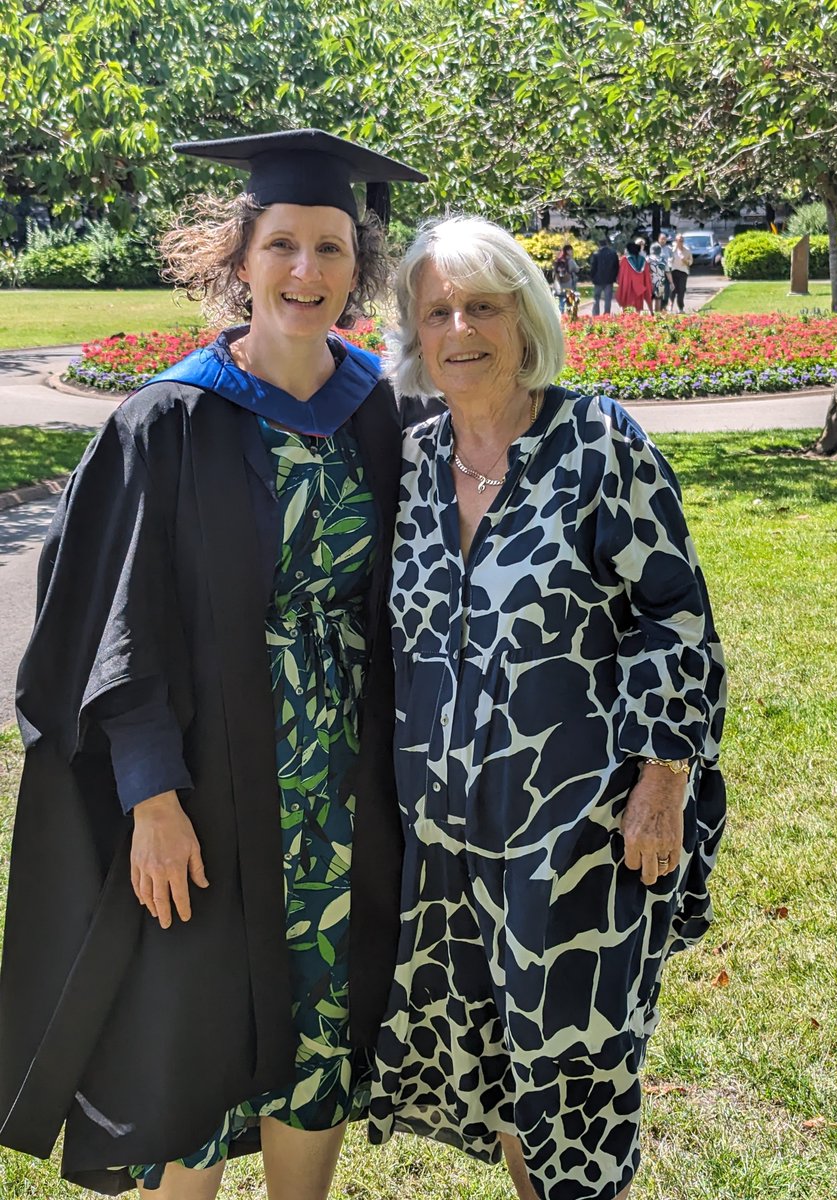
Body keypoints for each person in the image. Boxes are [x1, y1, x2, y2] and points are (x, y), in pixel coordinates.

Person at [0, 130, 425, 1197]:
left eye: (331, 249)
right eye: (282, 244)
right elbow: (116, 618)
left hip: (345, 783)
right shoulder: (169, 421)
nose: (305, 272)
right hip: (207, 786)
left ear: (356, 267)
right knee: (191, 1025)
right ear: (239, 260)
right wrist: (150, 797)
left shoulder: (382, 411)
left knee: (322, 1016)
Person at [368, 217, 726, 1200]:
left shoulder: (598, 444)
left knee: (575, 1084)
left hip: (577, 843)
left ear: (524, 318)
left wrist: (662, 779)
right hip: (443, 850)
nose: (458, 329)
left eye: (481, 306)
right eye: (436, 310)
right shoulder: (405, 461)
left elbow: (674, 617)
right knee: (498, 1078)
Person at [615, 239, 654, 314]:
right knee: (638, 304)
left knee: (626, 302)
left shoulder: (625, 260)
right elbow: (646, 275)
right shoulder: (643, 260)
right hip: (640, 285)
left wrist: (619, 280)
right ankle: (637, 317)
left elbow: (621, 274)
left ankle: (625, 317)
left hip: (628, 285)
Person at [588, 235, 620, 316]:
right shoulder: (613, 253)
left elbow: (593, 267)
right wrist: (614, 277)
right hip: (609, 280)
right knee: (607, 299)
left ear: (599, 244)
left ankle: (595, 314)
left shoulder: (596, 254)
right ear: (607, 244)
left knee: (596, 298)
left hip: (598, 279)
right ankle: (606, 314)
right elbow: (616, 267)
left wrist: (592, 277)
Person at [551, 243, 579, 314]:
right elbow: (577, 269)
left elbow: (554, 271)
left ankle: (561, 314)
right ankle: (569, 315)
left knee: (561, 299)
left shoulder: (559, 260)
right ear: (567, 251)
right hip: (568, 282)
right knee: (569, 299)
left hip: (559, 282)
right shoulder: (570, 260)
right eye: (571, 250)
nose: (572, 252)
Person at [670, 232, 694, 312]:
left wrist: (685, 261)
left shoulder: (687, 250)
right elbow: (668, 260)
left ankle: (681, 308)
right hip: (673, 272)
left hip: (683, 272)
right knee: (672, 290)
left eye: (682, 241)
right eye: (679, 240)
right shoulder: (672, 250)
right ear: (676, 241)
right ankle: (670, 307)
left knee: (681, 290)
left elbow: (690, 262)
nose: (681, 242)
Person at [648, 242, 668, 312]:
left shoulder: (648, 259)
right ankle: (657, 313)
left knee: (650, 298)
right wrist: (671, 282)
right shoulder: (663, 260)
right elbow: (667, 271)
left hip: (650, 281)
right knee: (658, 299)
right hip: (660, 281)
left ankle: (651, 314)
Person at [657, 233, 674, 310]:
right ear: (659, 239)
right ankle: (660, 307)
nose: (663, 240)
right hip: (658, 273)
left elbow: (672, 258)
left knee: (667, 291)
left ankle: (664, 304)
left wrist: (670, 261)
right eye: (662, 239)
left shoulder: (669, 249)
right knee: (659, 291)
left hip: (667, 272)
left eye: (664, 239)